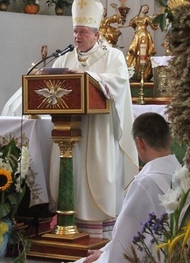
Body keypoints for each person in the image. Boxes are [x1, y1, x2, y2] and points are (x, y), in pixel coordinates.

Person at [1, 0, 139, 236]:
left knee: (99, 179)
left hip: (98, 132)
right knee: (67, 180)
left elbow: (117, 82)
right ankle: (65, 226)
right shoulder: (63, 58)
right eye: (76, 31)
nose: (78, 36)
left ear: (97, 34)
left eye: (83, 32)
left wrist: (89, 77)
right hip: (65, 132)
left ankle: (99, 236)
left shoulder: (113, 56)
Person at [77, 112, 180, 263]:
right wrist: (105, 251)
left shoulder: (145, 182)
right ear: (169, 140)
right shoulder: (183, 175)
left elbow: (125, 239)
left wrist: (105, 256)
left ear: (139, 143)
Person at [125, 4, 158, 81]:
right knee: (133, 52)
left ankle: (145, 73)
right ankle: (135, 72)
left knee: (144, 53)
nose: (145, 9)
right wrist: (121, 26)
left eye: (146, 9)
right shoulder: (136, 18)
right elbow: (130, 24)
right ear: (141, 8)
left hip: (144, 35)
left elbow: (153, 25)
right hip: (137, 36)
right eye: (144, 8)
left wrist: (156, 20)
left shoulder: (147, 18)